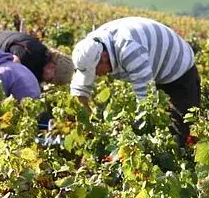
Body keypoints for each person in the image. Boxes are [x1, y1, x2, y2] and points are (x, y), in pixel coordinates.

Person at [70, 16, 200, 146]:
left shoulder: (129, 51)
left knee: (182, 132)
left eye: (95, 71)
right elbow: (79, 92)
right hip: (152, 61)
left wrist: (132, 138)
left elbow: (146, 101)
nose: (96, 75)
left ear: (104, 57)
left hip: (178, 67)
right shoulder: (90, 48)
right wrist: (88, 125)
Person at [0, 29, 74, 88]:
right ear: (52, 67)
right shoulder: (27, 55)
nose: (48, 83)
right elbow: (9, 74)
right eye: (51, 80)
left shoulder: (40, 56)